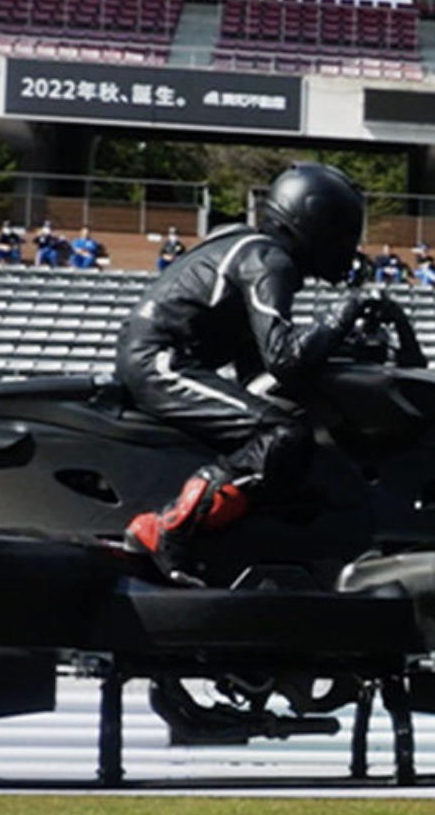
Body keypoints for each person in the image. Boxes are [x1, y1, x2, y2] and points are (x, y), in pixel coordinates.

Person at [116, 161, 376, 580]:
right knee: (282, 435)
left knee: (280, 422)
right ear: (314, 221)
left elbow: (259, 369)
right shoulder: (268, 260)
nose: (348, 248)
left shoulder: (249, 248)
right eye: (343, 234)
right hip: (161, 360)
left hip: (162, 355)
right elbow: (286, 361)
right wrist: (344, 314)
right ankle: (170, 529)